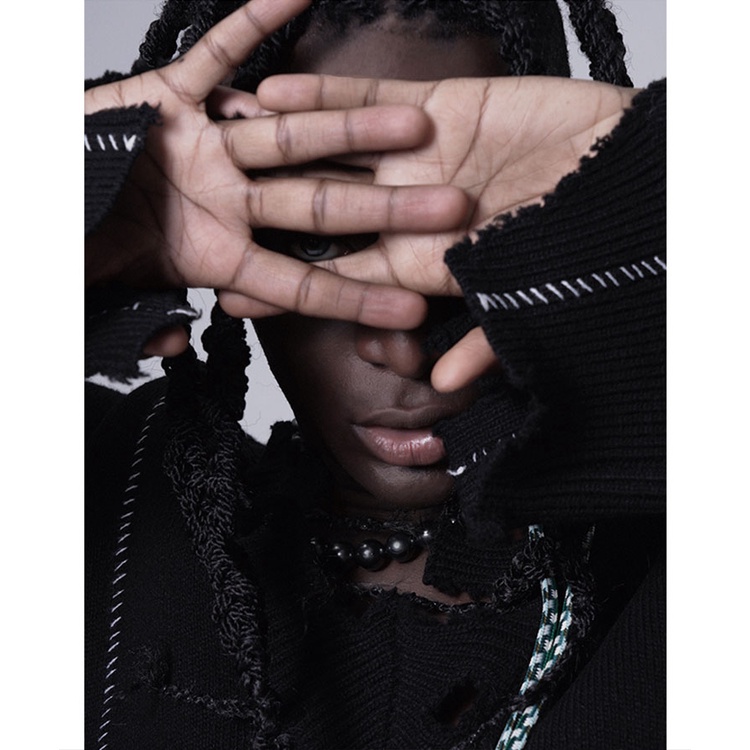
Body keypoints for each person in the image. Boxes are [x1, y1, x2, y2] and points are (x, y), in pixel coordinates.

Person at [85, 1, 665, 748]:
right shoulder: (105, 489)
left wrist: (671, 192)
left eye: (475, 235)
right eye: (319, 239)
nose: (405, 348)